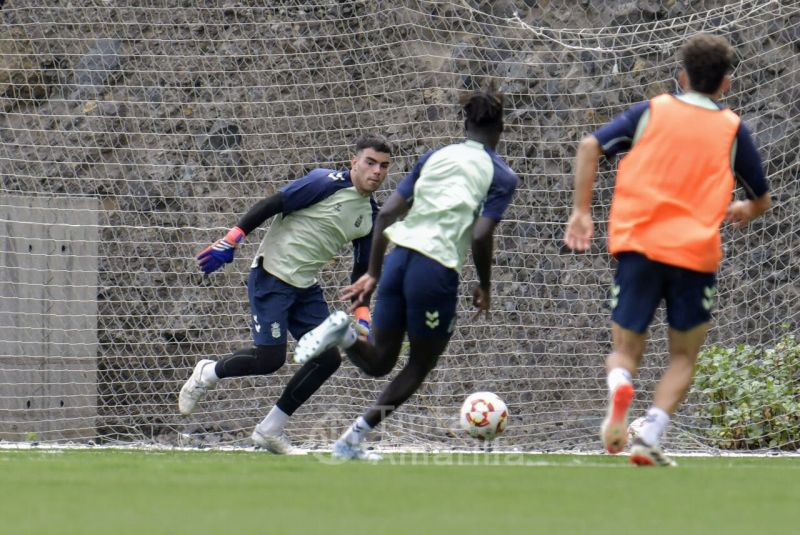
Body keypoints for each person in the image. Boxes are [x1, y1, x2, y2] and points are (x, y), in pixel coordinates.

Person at [564, 33, 771, 466]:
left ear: (682, 75)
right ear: (726, 84)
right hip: (694, 256)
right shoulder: (733, 128)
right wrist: (744, 209)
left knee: (624, 350)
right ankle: (650, 435)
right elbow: (762, 199)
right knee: (683, 356)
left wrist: (581, 212)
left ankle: (621, 382)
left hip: (639, 247)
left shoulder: (651, 111)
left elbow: (589, 146)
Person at [293, 84, 519, 461]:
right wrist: (484, 284)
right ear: (501, 128)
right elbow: (481, 234)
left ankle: (346, 338)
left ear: (464, 123)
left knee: (380, 361)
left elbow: (385, 214)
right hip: (435, 270)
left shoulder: (435, 156)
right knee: (419, 364)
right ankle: (352, 438)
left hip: (398, 259)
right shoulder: (501, 175)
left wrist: (374, 273)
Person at [178, 134, 393, 453]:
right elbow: (272, 204)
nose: (376, 171)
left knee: (328, 359)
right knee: (269, 359)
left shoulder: (371, 217)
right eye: (370, 162)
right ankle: (208, 372)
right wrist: (232, 239)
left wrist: (363, 316)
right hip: (272, 276)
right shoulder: (324, 182)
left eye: (384, 166)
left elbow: (360, 274)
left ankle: (269, 430)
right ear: (354, 162)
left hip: (305, 287)